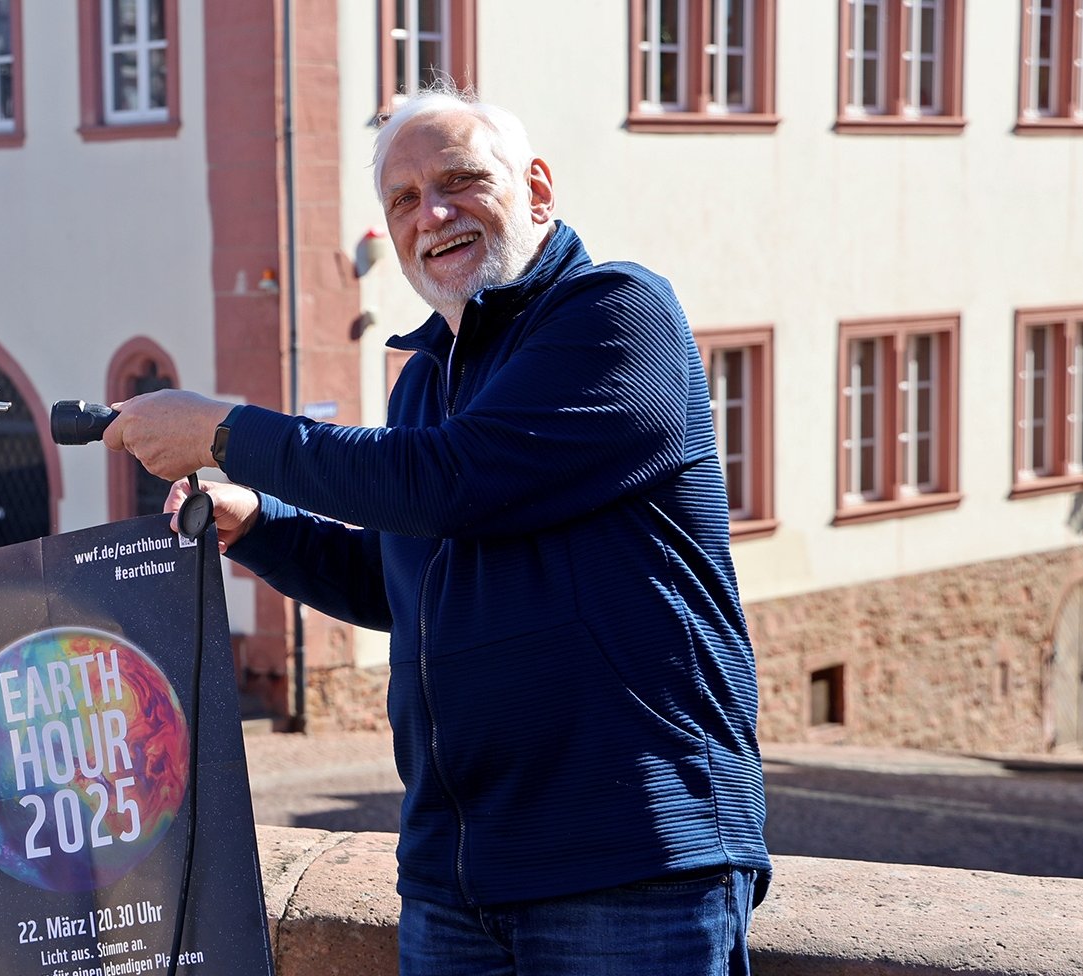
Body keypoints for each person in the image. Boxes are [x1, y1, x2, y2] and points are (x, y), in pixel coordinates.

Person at [104, 85, 771, 973]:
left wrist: (226, 432)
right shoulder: (423, 379)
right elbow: (412, 580)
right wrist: (261, 525)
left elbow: (451, 483)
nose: (434, 215)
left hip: (629, 857)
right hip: (452, 879)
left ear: (536, 188)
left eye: (460, 181)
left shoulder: (618, 313)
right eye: (404, 200)